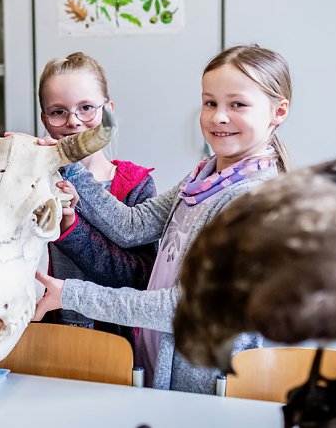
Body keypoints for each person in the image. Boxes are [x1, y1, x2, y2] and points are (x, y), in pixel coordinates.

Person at [34, 44, 292, 393]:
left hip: (211, 387)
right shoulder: (204, 177)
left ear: (278, 111)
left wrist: (72, 295)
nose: (219, 117)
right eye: (210, 102)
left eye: (238, 104)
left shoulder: (253, 201)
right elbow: (131, 226)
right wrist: (67, 162)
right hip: (170, 366)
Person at [38, 52, 157, 343]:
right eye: (58, 111)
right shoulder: (34, 183)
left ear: (109, 109)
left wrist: (71, 228)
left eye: (87, 108)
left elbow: (139, 279)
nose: (74, 121)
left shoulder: (136, 185)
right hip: (48, 332)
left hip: (118, 342)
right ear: (44, 118)